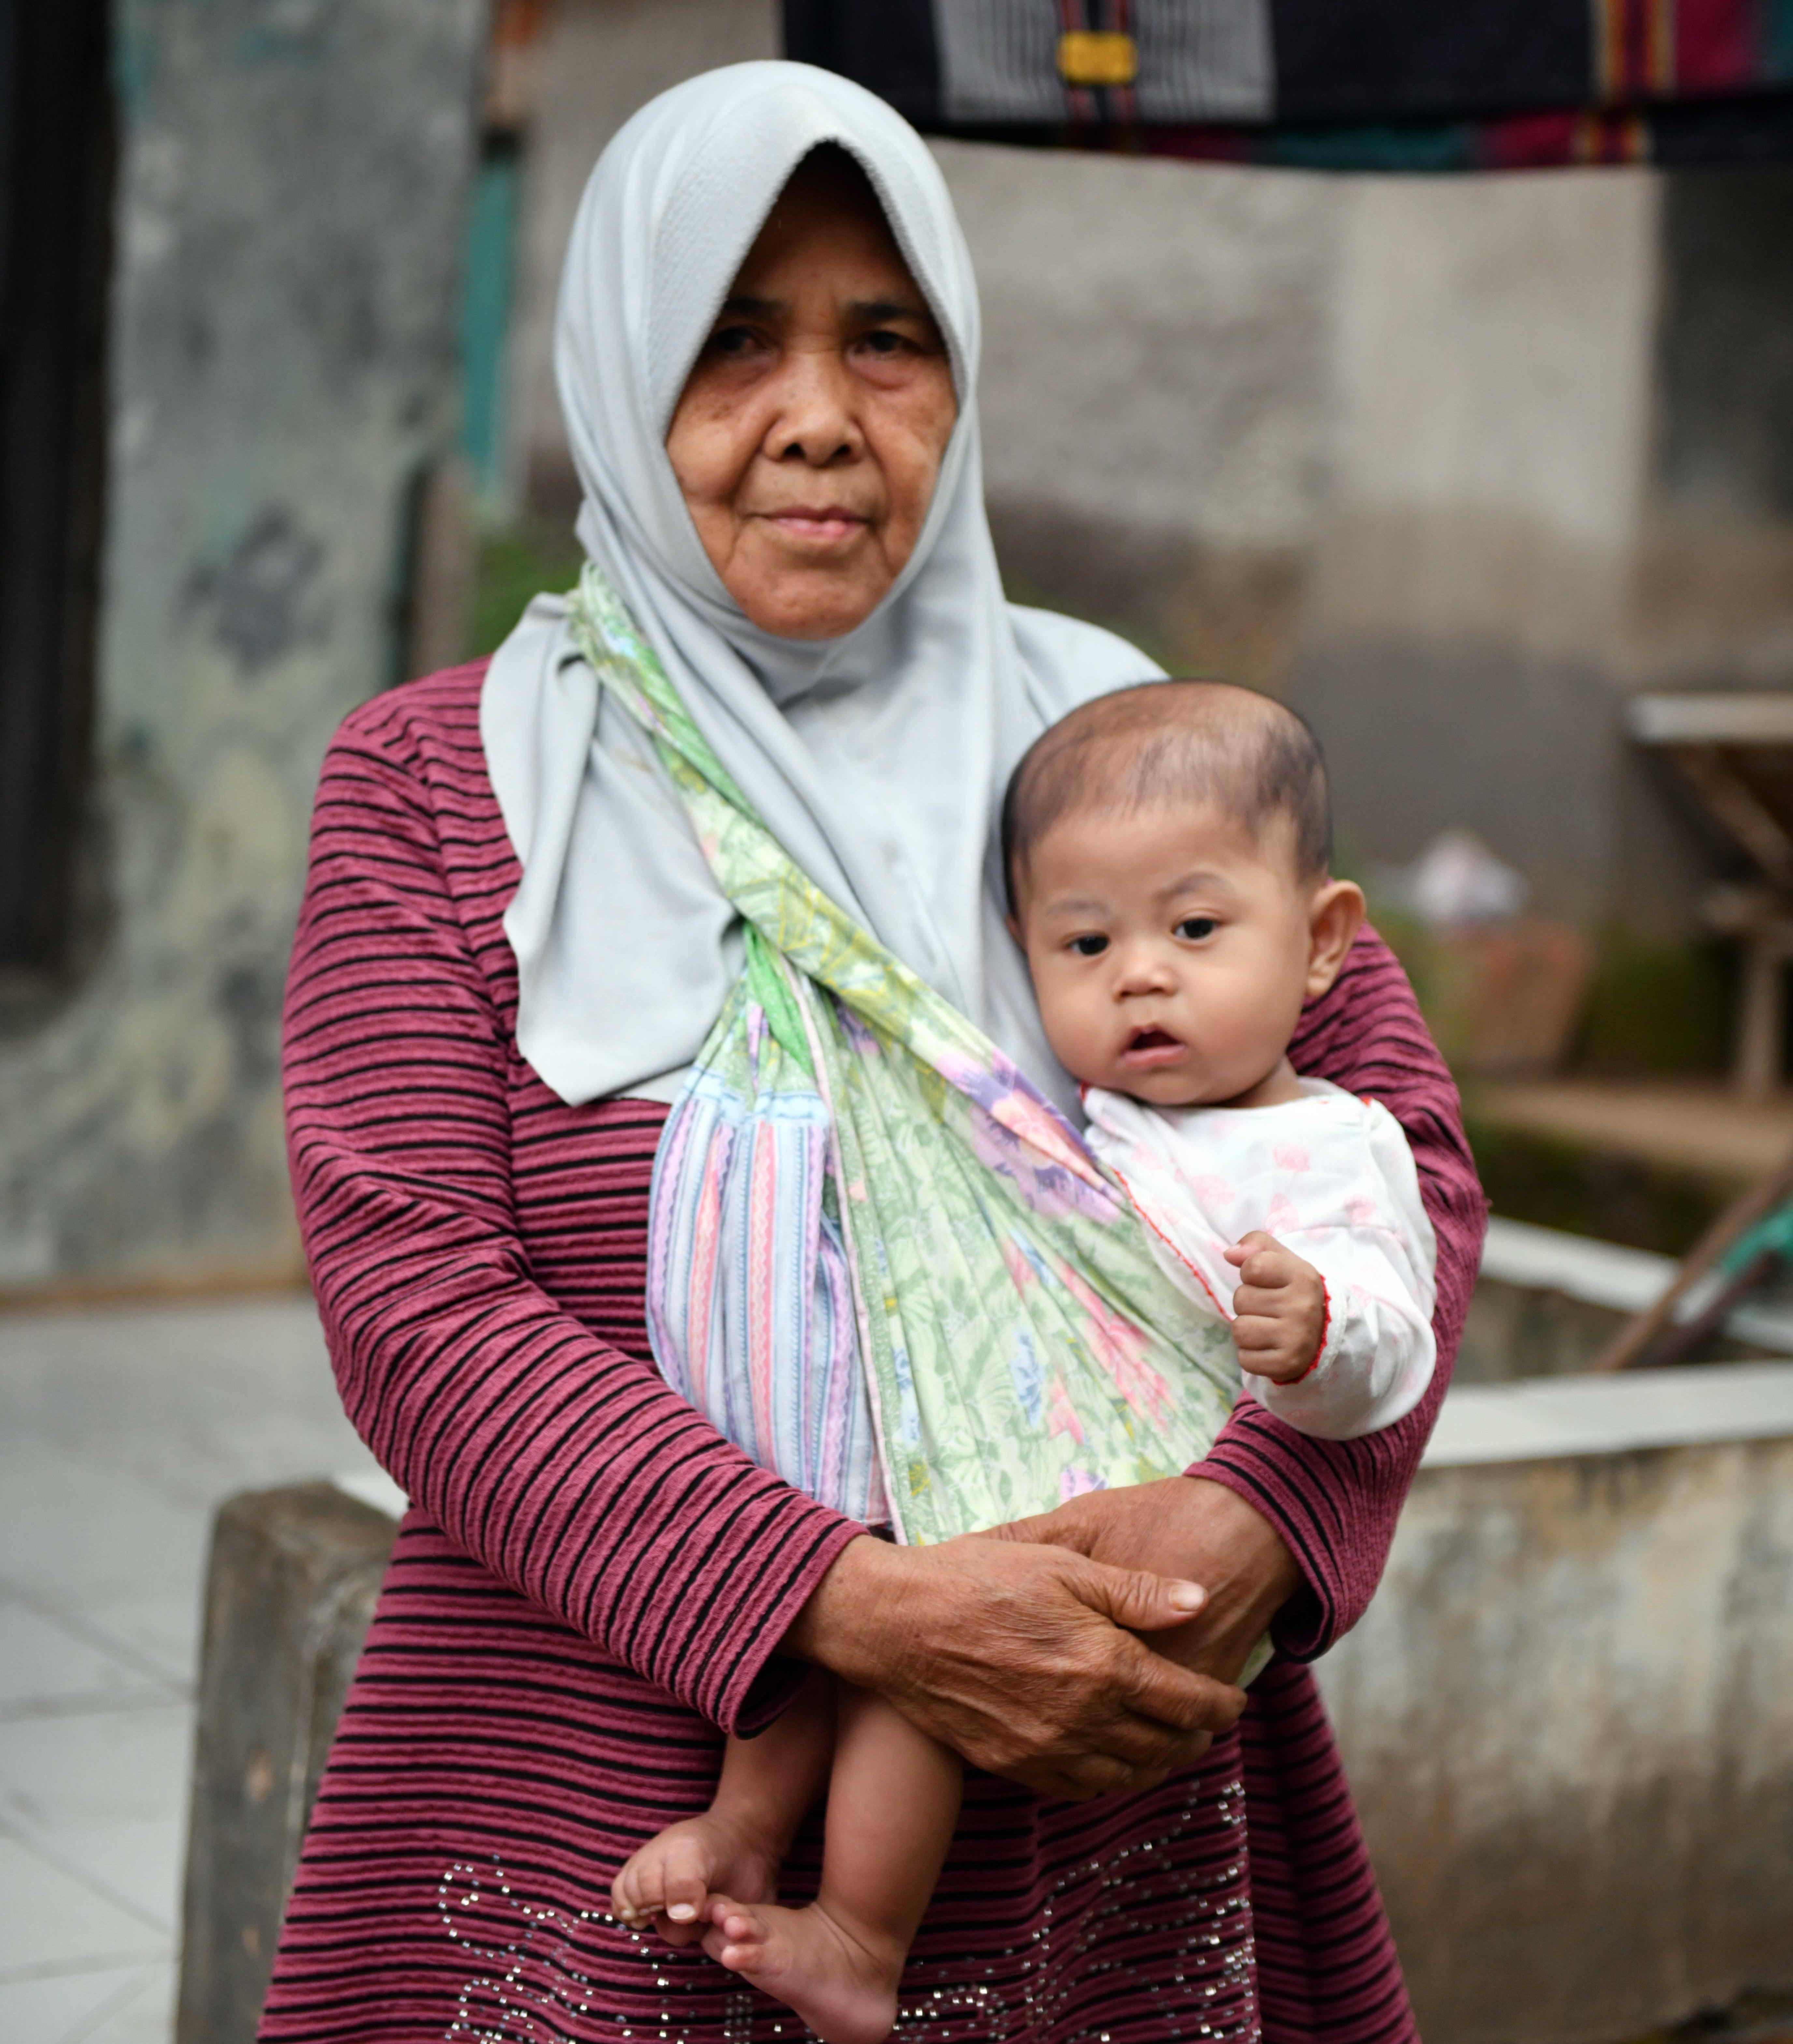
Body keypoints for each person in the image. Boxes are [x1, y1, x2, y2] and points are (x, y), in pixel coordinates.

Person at [260, 60, 1485, 2044]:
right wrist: (874, 1611)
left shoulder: (1121, 744)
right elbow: (421, 1307)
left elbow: (1399, 1159)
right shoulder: (441, 782)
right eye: (733, 338)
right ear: (620, 361)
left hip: (1109, 1803)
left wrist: (1257, 1518)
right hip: (591, 1806)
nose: (819, 416)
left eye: (885, 339)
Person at [609, 680, 1439, 2044]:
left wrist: (1322, 1336)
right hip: (1017, 1447)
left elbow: (1394, 1329)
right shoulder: (1080, 1109)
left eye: (1192, 928)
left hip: (1135, 1509)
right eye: (1084, 943)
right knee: (849, 1575)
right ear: (1014, 956)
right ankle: (746, 1828)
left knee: (922, 1652)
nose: (1140, 973)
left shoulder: (1326, 1145)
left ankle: (859, 1938)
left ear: (1321, 941)